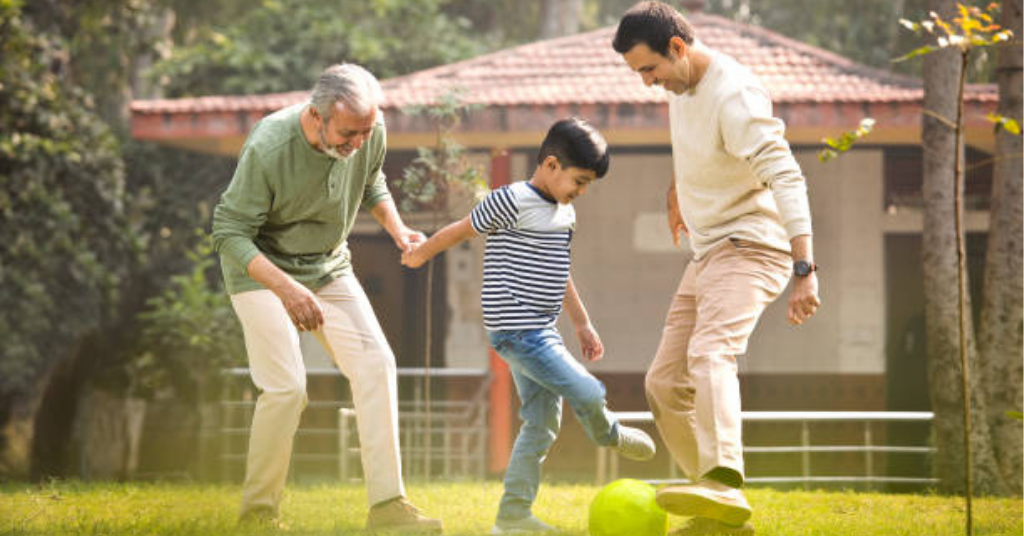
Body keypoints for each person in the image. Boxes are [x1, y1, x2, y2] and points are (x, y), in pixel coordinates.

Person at [613, 3, 822, 535]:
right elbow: (697, 149)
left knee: (711, 352)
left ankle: (723, 480)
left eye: (650, 70)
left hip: (754, 246)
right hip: (708, 251)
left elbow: (786, 177)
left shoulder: (735, 96)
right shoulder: (683, 87)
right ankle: (719, 515)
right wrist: (677, 191)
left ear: (678, 48)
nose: (647, 84)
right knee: (663, 383)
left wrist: (805, 267)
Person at [211, 63, 442, 534]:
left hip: (327, 265)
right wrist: (287, 288)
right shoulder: (270, 145)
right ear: (317, 116)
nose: (357, 142)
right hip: (260, 270)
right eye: (348, 132)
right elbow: (229, 231)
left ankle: (387, 507)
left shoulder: (367, 130)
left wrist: (398, 231)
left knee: (377, 363)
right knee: (287, 387)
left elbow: (371, 179)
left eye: (365, 131)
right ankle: (258, 512)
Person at [401, 118, 657, 534]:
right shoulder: (511, 200)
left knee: (540, 426)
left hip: (542, 333)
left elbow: (561, 272)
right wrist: (422, 252)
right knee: (590, 391)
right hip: (517, 333)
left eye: (589, 184)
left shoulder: (565, 213)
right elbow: (462, 230)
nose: (582, 191)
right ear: (552, 164)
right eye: (580, 180)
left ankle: (512, 518)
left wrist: (583, 324)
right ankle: (609, 433)